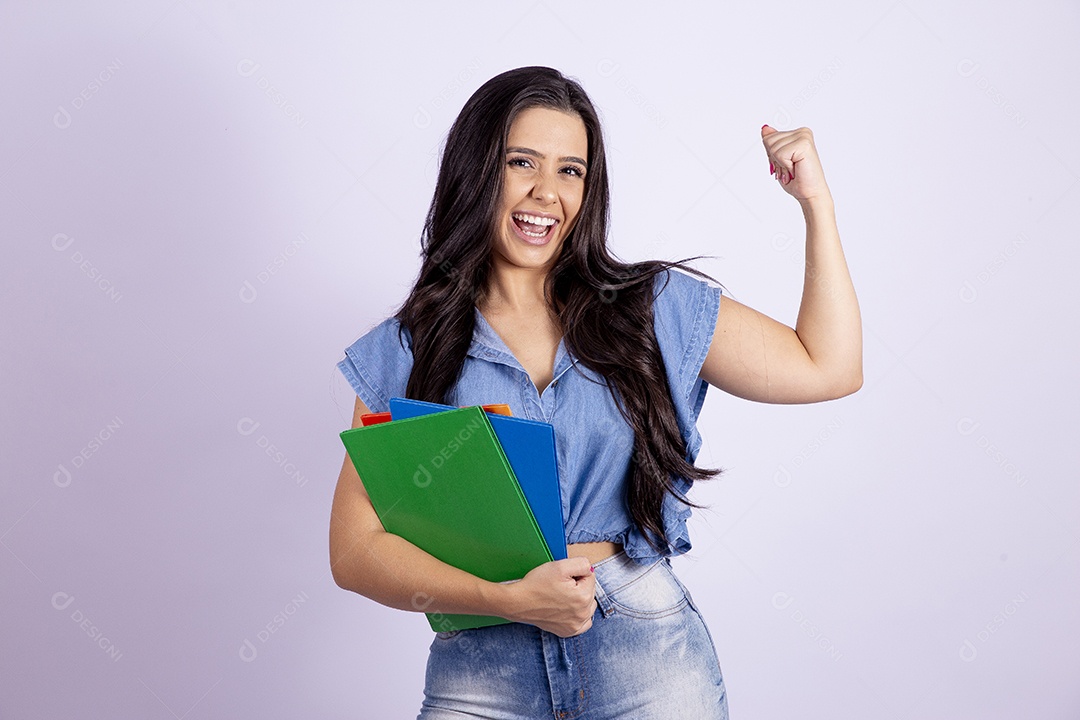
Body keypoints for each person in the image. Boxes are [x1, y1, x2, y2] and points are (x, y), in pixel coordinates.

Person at [330, 66, 861, 719]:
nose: (546, 192)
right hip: (481, 671)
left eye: (570, 170)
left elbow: (828, 368)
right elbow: (355, 551)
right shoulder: (409, 348)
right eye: (521, 161)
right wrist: (504, 599)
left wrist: (817, 205)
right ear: (476, 171)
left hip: (647, 661)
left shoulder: (651, 309)